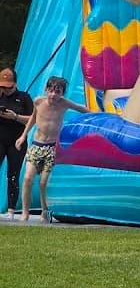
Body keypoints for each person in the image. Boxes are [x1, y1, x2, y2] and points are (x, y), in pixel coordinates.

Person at [15, 76, 90, 223]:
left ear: (62, 93)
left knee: (43, 183)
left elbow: (81, 109)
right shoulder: (38, 101)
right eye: (51, 90)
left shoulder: (64, 104)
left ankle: (44, 210)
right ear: (46, 89)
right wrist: (23, 136)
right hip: (36, 145)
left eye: (58, 91)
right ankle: (25, 212)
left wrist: (100, 115)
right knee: (27, 178)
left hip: (51, 147)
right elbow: (33, 118)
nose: (53, 95)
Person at [0, 67, 34, 217]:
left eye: (9, 87)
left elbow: (33, 119)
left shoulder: (24, 97)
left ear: (15, 84)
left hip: (17, 141)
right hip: (0, 139)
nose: (6, 90)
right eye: (3, 87)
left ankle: (11, 210)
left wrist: (15, 117)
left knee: (13, 174)